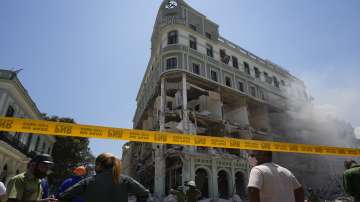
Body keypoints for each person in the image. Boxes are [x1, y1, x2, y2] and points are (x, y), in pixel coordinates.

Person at [58, 152, 149, 202]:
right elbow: (144, 194)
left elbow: (64, 196)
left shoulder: (88, 181)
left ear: (99, 165)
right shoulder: (126, 180)